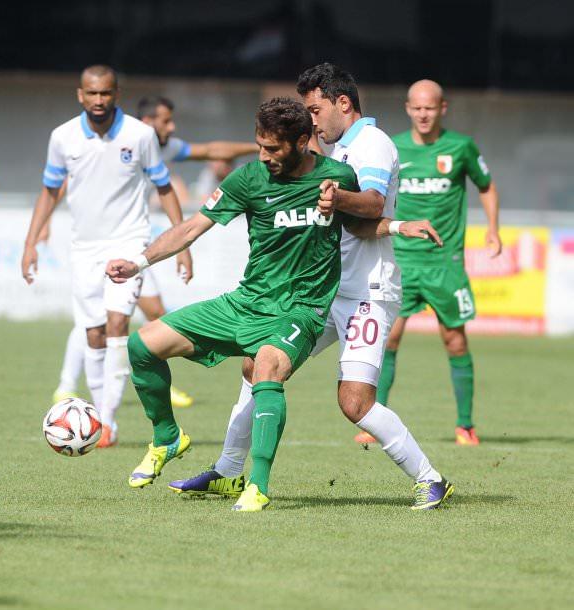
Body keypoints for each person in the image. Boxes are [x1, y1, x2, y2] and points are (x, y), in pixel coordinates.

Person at [170, 63, 454, 511]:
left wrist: (342, 199)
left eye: (316, 110)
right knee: (258, 364)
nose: (312, 120)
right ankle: (228, 471)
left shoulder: (372, 144)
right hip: (322, 293)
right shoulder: (337, 151)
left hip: (366, 293)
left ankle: (430, 478)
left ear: (343, 103)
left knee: (355, 402)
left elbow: (372, 204)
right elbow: (354, 221)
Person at [106, 97, 369, 512]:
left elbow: (366, 220)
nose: (263, 156)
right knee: (142, 345)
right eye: (260, 146)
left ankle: (257, 485)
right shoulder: (248, 179)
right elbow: (192, 227)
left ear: (302, 141)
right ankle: (167, 437)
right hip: (246, 302)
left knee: (266, 368)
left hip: (300, 308)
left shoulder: (337, 176)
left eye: (273, 149)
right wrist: (138, 263)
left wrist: (393, 224)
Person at [21, 64, 192, 449]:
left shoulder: (140, 134)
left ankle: (108, 423)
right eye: (92, 93)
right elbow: (49, 191)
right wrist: (30, 242)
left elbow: (164, 187)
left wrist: (181, 244)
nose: (99, 100)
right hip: (84, 247)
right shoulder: (62, 137)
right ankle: (99, 415)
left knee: (118, 324)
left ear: (117, 94)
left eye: (106, 93)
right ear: (80, 95)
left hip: (129, 242)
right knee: (94, 332)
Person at [52, 96, 258, 409]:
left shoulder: (163, 146)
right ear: (148, 122)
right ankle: (67, 386)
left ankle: (154, 380)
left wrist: (259, 147)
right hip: (98, 243)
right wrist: (44, 220)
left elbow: (212, 150)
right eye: (166, 120)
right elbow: (68, 179)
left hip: (131, 245)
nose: (172, 127)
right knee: (95, 320)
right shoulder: (120, 141)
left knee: (151, 315)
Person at [374, 79, 502, 446]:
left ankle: (465, 425)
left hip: (445, 263)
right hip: (401, 259)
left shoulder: (461, 147)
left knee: (454, 341)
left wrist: (493, 229)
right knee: (389, 338)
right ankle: (374, 421)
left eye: (429, 107)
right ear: (407, 108)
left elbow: (486, 185)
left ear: (442, 108)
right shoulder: (393, 148)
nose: (423, 114)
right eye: (416, 107)